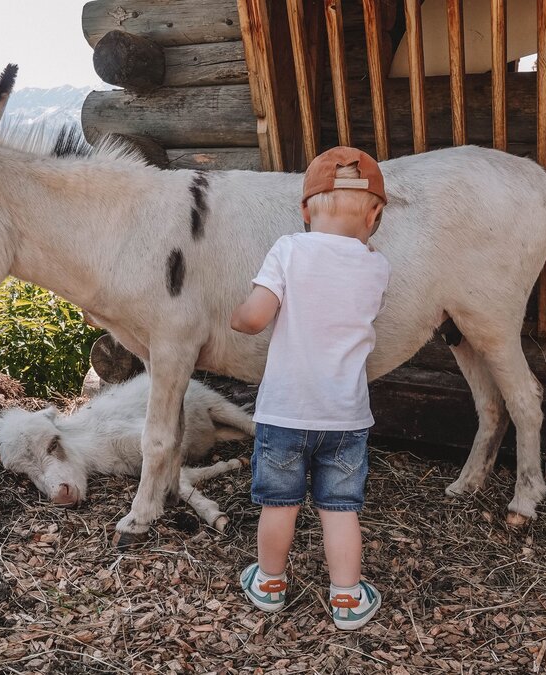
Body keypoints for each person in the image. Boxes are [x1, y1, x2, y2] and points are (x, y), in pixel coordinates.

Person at [229, 146, 390, 631]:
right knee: (339, 510)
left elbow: (255, 318)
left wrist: (235, 317)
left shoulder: (288, 249)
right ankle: (347, 598)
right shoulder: (376, 266)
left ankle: (270, 584)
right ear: (375, 213)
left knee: (280, 505)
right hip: (345, 419)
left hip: (284, 414)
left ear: (304, 209)